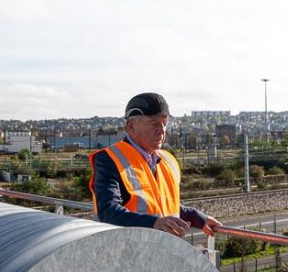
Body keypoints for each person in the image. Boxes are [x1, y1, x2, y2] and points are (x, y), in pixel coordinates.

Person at [89, 93, 219, 238]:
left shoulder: (166, 161)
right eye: (154, 123)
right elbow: (108, 211)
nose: (162, 130)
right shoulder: (109, 159)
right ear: (131, 126)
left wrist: (200, 219)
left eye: (164, 123)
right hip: (127, 251)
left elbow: (165, 205)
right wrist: (154, 223)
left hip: (163, 250)